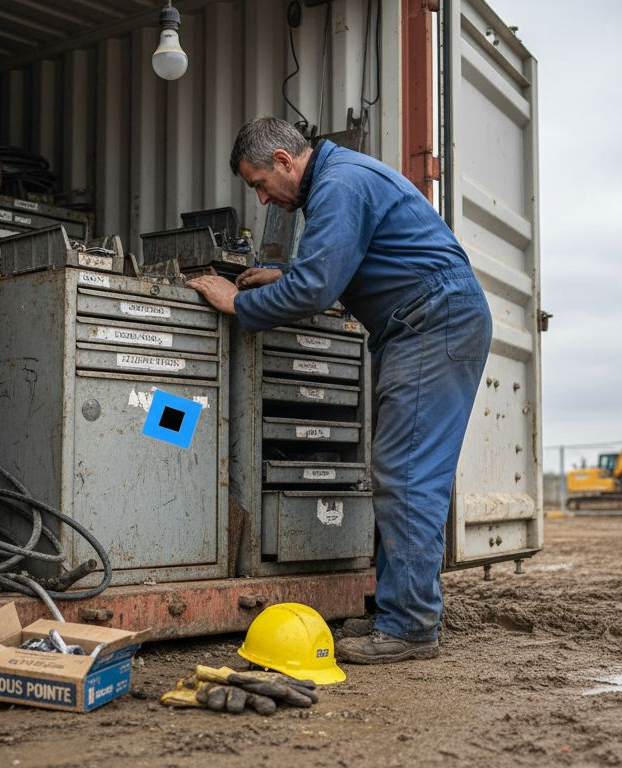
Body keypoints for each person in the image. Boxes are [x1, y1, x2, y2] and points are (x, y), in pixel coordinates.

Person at [186, 117, 491, 664]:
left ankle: (411, 627)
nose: (262, 198)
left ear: (283, 160)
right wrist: (284, 274)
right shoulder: (339, 179)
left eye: (259, 183)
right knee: (402, 470)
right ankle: (399, 611)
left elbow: (319, 286)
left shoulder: (338, 185)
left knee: (407, 473)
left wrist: (237, 302)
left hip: (432, 321)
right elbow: (344, 264)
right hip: (424, 322)